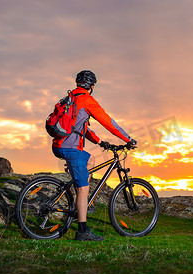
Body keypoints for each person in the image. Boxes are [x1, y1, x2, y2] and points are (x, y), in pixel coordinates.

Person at [52, 70, 135, 241]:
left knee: (90, 160)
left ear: (78, 83)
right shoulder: (87, 100)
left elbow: (80, 127)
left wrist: (99, 142)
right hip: (70, 148)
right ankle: (82, 231)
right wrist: (128, 139)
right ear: (92, 86)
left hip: (59, 145)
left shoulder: (71, 99)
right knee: (83, 188)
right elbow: (108, 122)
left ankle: (80, 203)